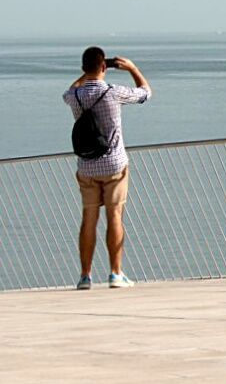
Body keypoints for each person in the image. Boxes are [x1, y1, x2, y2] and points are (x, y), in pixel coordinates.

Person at [64, 46, 152, 289]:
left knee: (88, 218)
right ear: (104, 67)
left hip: (87, 167)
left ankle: (85, 276)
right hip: (114, 165)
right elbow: (145, 93)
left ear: (84, 68)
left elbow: (69, 90)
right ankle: (115, 273)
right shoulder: (113, 92)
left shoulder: (76, 96)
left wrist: (87, 75)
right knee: (114, 215)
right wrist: (132, 68)